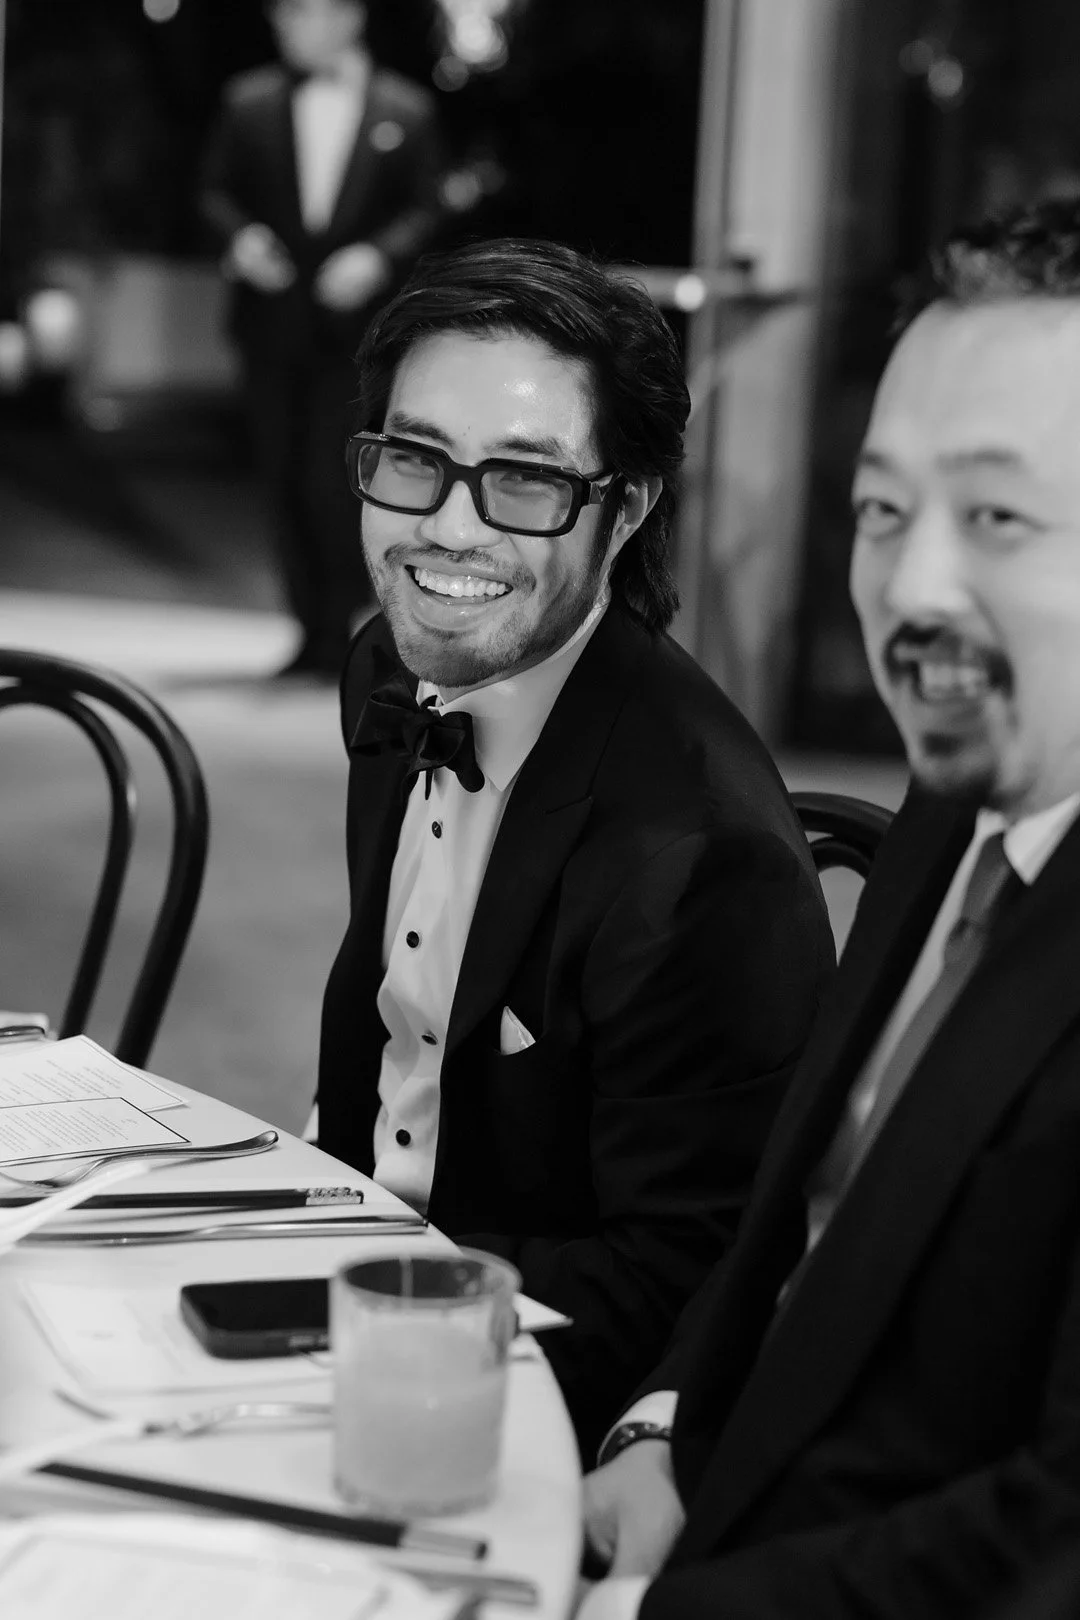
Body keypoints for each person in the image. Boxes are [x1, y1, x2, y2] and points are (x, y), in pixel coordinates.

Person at [580, 198, 1080, 1619]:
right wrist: (666, 1426)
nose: (911, 588)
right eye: (881, 509)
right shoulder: (956, 795)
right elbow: (801, 1223)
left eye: (997, 515)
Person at [316, 237, 835, 1455]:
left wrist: (346, 1325)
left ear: (628, 505)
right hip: (346, 1271)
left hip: (528, 1396)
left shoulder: (696, 850)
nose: (446, 529)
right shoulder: (389, 673)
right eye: (413, 459)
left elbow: (686, 1278)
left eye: (525, 482)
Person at [199, 0, 444, 678]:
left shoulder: (407, 108)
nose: (284, 24)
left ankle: (345, 627)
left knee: (335, 479)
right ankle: (309, 631)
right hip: (271, 324)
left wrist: (376, 256)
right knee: (280, 476)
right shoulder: (247, 101)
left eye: (300, 12)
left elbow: (424, 208)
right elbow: (214, 193)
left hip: (359, 334)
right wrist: (241, 239)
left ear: (347, 18)